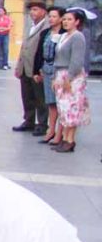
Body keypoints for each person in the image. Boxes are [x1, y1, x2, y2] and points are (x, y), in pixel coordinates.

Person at [51, 9, 91, 153]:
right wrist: (55, 77)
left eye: (69, 19)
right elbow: (58, 59)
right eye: (65, 19)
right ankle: (65, 138)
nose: (66, 22)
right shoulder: (63, 37)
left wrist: (69, 77)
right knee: (63, 108)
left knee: (72, 107)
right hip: (61, 73)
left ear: (77, 22)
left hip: (72, 76)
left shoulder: (77, 37)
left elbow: (77, 59)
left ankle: (70, 139)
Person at [12, 0, 49, 135]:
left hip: (36, 68)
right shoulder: (30, 26)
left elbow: (43, 50)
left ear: (43, 11)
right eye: (31, 10)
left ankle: (42, 124)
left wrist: (41, 69)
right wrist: (18, 66)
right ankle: (29, 121)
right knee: (27, 97)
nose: (32, 13)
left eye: (35, 10)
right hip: (25, 68)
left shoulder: (46, 27)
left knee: (40, 98)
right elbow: (24, 47)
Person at [37, 7, 65, 147]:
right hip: (47, 68)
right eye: (50, 16)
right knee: (50, 102)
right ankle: (50, 130)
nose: (51, 19)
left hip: (59, 70)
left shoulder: (65, 34)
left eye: (54, 16)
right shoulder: (46, 33)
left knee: (60, 103)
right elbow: (39, 52)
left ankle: (60, 134)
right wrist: (38, 69)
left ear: (61, 18)